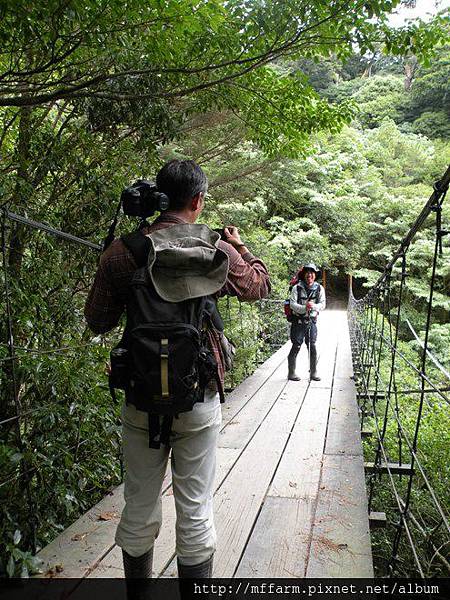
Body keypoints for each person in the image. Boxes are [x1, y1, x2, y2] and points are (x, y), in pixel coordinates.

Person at [84, 159, 270, 582]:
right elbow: (259, 286)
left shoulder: (125, 251)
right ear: (198, 200)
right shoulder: (215, 253)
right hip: (198, 395)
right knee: (196, 511)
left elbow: (97, 321)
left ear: (160, 196)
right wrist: (239, 246)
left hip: (141, 397)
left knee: (138, 508)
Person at [287, 263, 326, 381]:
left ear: (315, 275)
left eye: (312, 273)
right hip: (298, 322)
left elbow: (323, 304)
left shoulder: (319, 288)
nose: (309, 275)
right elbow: (292, 304)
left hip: (311, 322)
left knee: (312, 346)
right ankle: (291, 373)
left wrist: (313, 306)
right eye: (307, 273)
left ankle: (313, 372)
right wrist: (305, 308)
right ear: (304, 275)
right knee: (296, 345)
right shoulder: (296, 288)